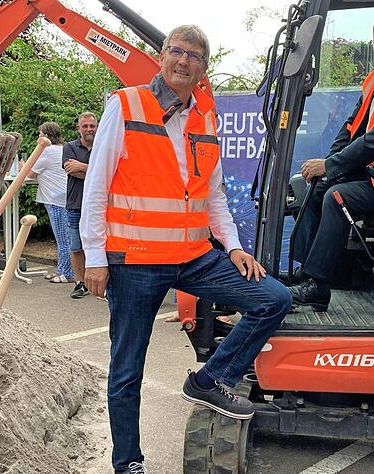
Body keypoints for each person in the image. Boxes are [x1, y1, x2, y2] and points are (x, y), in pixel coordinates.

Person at [81, 25, 291, 474]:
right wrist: (95, 257)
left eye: (193, 55)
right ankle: (128, 463)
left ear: (203, 68)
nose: (183, 61)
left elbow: (212, 196)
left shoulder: (205, 118)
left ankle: (210, 378)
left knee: (273, 298)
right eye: (176, 51)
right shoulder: (126, 105)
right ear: (161, 56)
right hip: (134, 261)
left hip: (195, 256)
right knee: (127, 369)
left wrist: (233, 247)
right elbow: (96, 187)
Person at [287, 11, 374, 311]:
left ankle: (317, 284)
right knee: (312, 188)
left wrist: (331, 167)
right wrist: (328, 166)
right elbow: (353, 126)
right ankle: (308, 273)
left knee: (337, 197)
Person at [28, 122, 73, 283]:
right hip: (64, 196)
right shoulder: (63, 149)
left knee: (62, 237)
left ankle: (67, 272)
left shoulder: (46, 151)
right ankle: (61, 269)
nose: (38, 137)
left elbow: (30, 172)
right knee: (64, 236)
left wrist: (21, 165)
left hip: (55, 198)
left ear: (46, 136)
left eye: (40, 134)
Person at [63, 111, 97, 298]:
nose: (89, 129)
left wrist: (82, 167)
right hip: (76, 204)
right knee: (77, 247)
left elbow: (106, 173)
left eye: (92, 126)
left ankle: (100, 283)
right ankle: (80, 283)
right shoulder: (69, 147)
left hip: (99, 206)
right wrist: (95, 171)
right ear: (78, 128)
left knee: (101, 245)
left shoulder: (103, 146)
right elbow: (71, 170)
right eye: (85, 126)